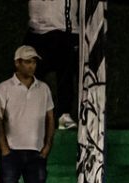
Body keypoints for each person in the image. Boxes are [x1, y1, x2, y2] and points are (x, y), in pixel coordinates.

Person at [0, 46, 55, 183]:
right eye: (28, 62)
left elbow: (50, 118)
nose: (32, 65)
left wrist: (47, 146)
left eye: (34, 62)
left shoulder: (44, 88)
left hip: (36, 152)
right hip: (11, 152)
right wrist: (4, 147)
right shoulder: (4, 87)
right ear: (17, 63)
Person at [24, 0, 77, 130]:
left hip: (66, 31)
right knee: (27, 71)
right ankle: (28, 115)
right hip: (37, 31)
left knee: (66, 71)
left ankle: (64, 115)